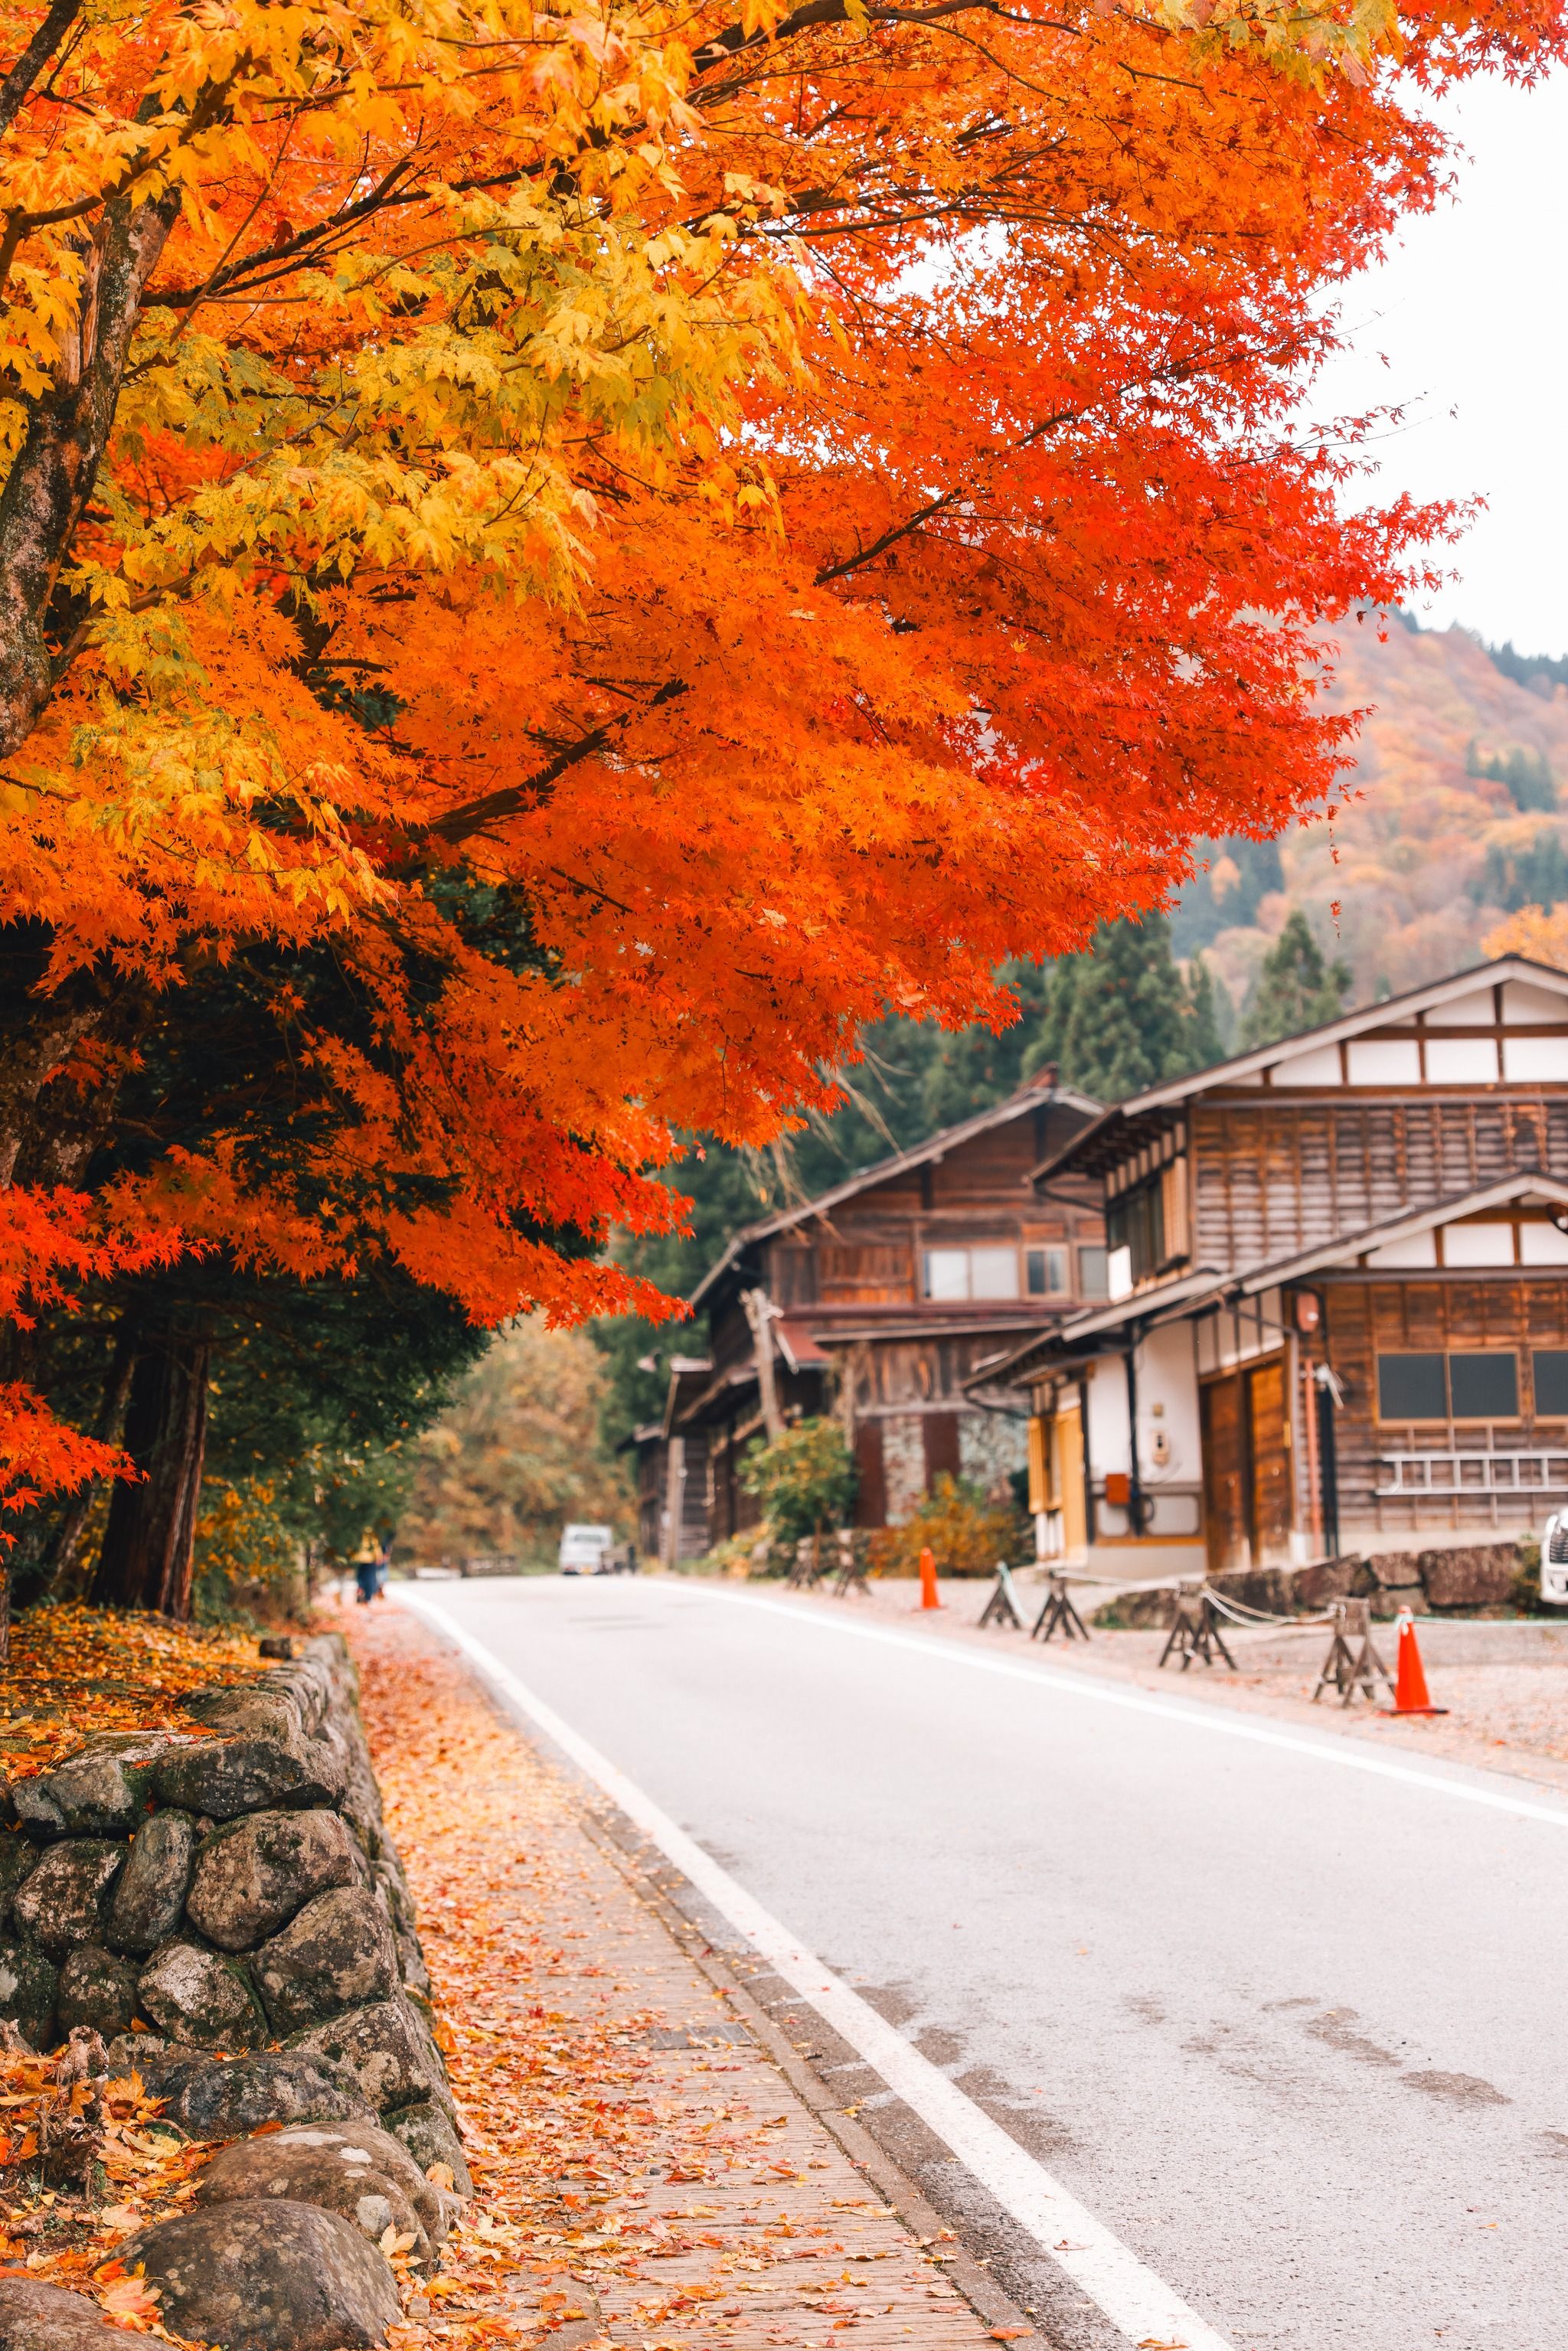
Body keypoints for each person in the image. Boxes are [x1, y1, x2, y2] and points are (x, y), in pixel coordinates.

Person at [352, 1533, 379, 1606]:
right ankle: (367, 1599)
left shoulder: (357, 1531)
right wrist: (379, 1556)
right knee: (370, 1580)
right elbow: (375, 1546)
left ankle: (360, 1588)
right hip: (370, 1560)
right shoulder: (371, 1533)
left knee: (360, 1577)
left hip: (358, 1559)